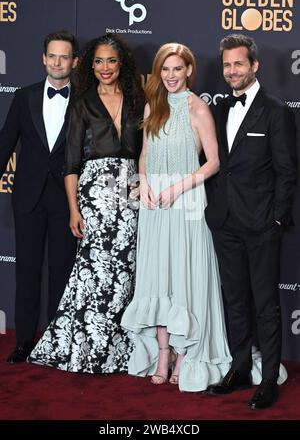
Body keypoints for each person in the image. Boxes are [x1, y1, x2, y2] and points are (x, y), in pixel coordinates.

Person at [28, 34, 145, 373]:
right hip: (94, 193)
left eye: (111, 60)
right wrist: (74, 209)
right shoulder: (82, 103)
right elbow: (71, 164)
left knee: (124, 273)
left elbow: (146, 150)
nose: (104, 68)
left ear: (120, 63)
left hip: (131, 191)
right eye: (98, 61)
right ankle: (88, 349)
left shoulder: (137, 100)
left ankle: (123, 352)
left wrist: (142, 182)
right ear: (89, 66)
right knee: (94, 273)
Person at [121, 42, 232, 392]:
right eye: (164, 70)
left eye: (177, 69)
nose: (170, 76)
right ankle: (164, 354)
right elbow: (143, 156)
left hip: (185, 205)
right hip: (155, 208)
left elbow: (213, 162)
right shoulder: (154, 106)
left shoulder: (198, 108)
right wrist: (146, 186)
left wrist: (177, 188)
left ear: (188, 71)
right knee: (158, 283)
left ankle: (186, 357)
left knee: (184, 282)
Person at [205, 34, 297, 409]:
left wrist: (275, 219)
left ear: (254, 66)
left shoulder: (276, 111)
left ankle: (269, 379)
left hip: (261, 225)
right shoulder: (221, 109)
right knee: (235, 300)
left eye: (238, 64)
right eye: (227, 65)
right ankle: (240, 368)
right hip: (225, 221)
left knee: (265, 304)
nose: (232, 71)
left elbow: (287, 171)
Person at [0, 30, 79, 363]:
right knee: (27, 270)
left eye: (65, 57)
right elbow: (5, 143)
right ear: (44, 59)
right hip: (28, 198)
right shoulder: (24, 96)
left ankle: (57, 341)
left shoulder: (86, 101)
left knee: (62, 271)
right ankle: (24, 341)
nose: (58, 62)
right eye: (53, 56)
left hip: (67, 200)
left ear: (74, 62)